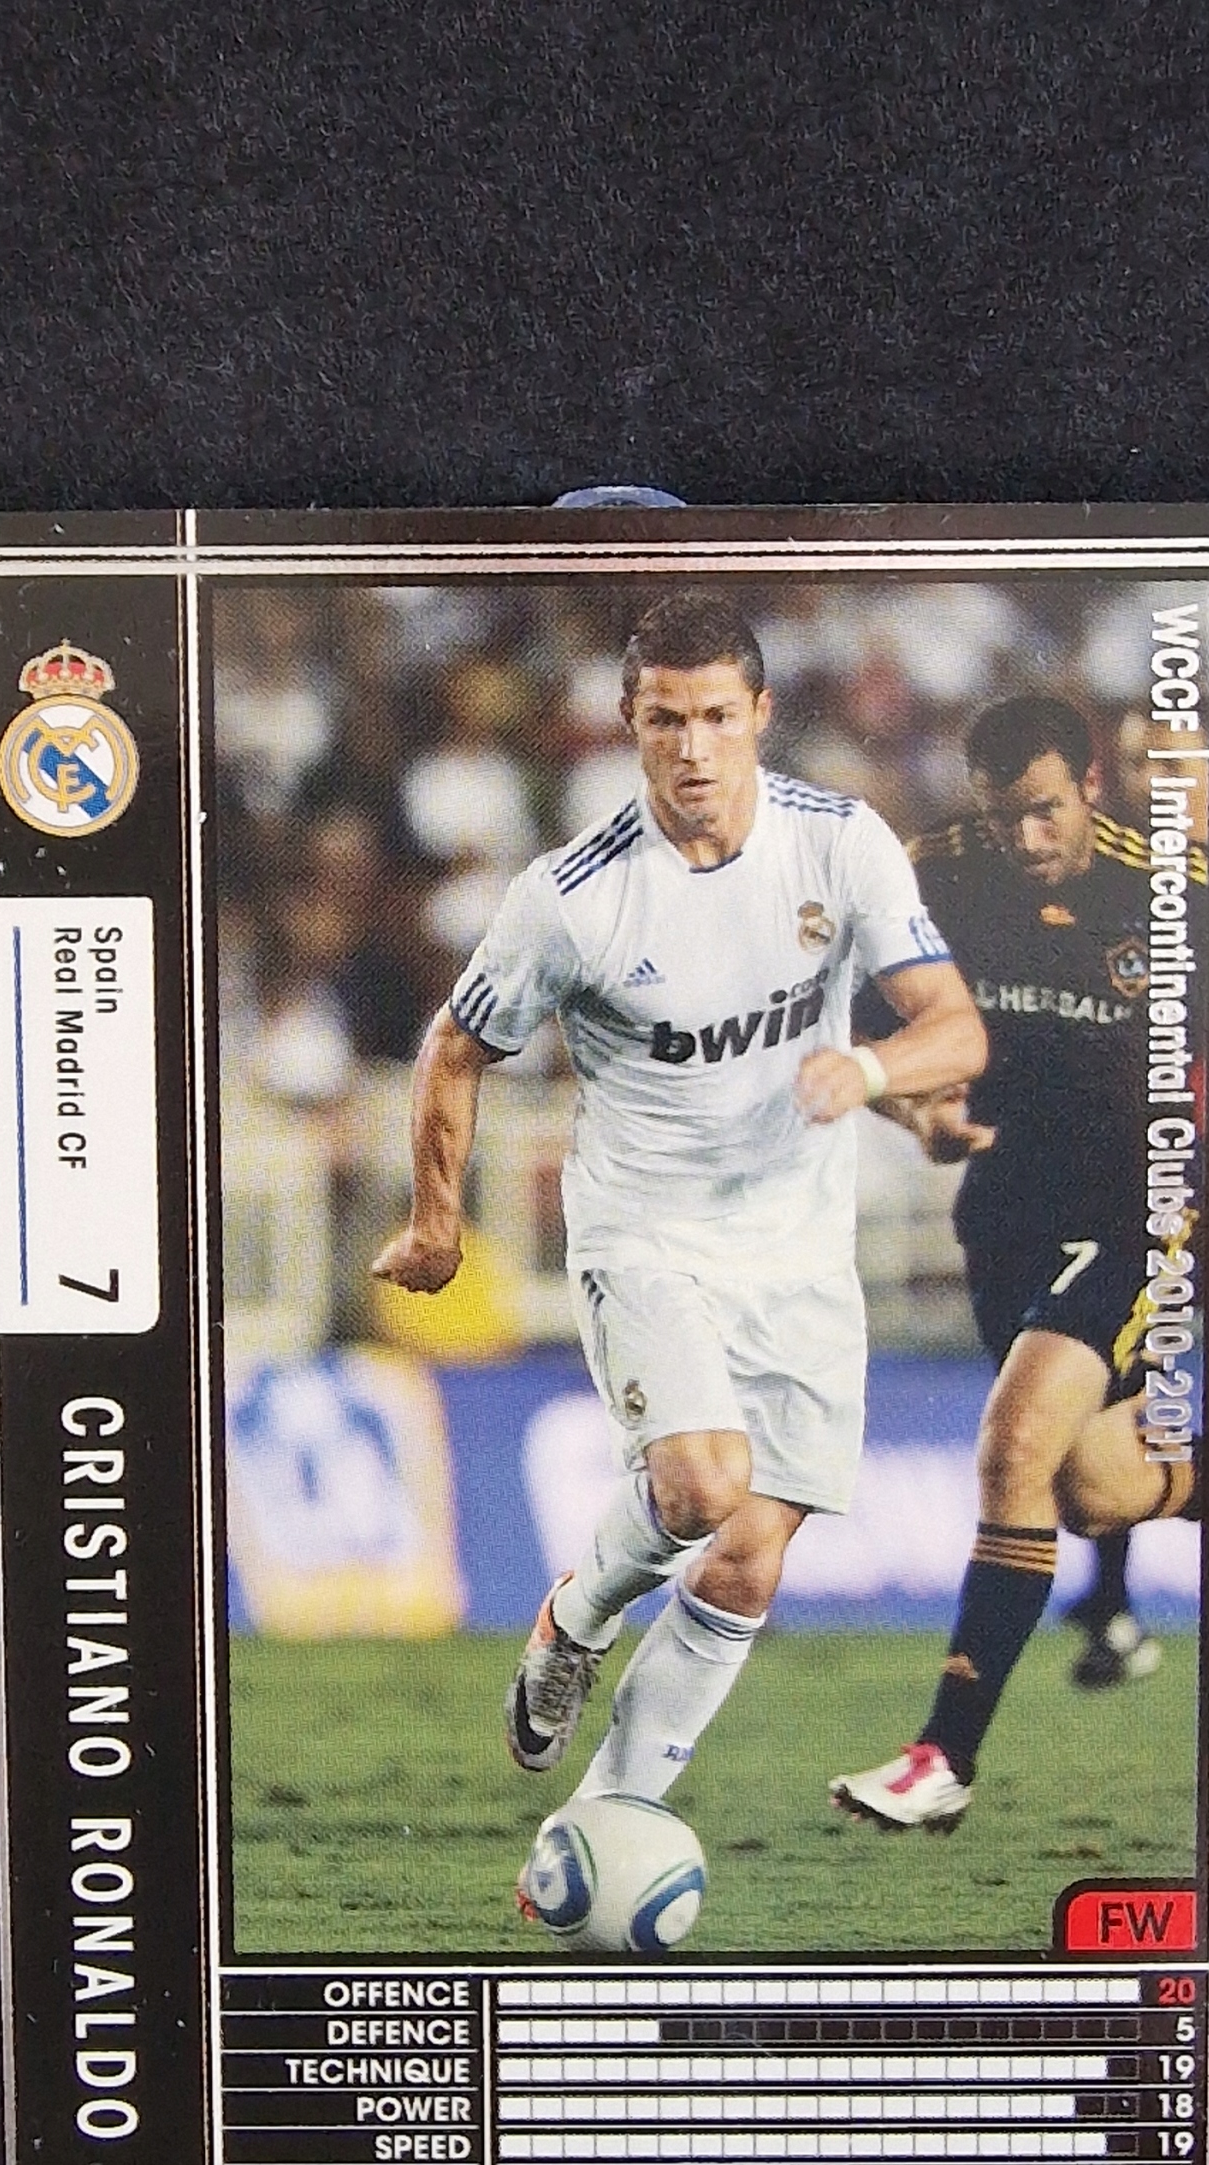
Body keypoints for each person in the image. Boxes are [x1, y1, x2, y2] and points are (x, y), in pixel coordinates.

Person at [372, 592, 985, 1803]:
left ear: (760, 713)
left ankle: (609, 1817)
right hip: (645, 1229)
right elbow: (454, 1047)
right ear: (628, 724)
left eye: (715, 716)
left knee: (748, 1557)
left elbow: (952, 1028)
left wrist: (872, 1076)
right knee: (702, 1486)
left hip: (800, 1245)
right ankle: (575, 1618)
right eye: (665, 720)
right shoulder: (573, 897)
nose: (692, 748)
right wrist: (436, 1219)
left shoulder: (838, 843)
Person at [831, 694, 1200, 1833]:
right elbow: (865, 1037)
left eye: (1045, 811)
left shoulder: (1171, 890)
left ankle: (941, 1759)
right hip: (1004, 1213)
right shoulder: (936, 874)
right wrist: (919, 1117)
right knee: (1094, 1489)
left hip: (1138, 1211)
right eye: (1005, 819)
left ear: (1089, 786)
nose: (1027, 839)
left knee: (1011, 1445)